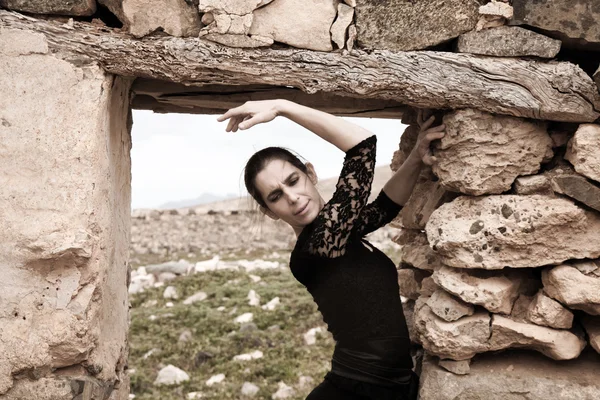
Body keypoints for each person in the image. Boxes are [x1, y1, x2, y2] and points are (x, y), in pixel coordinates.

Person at [218, 99, 445, 400]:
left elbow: (383, 208)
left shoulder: (337, 234)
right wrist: (283, 106)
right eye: (276, 196)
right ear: (270, 211)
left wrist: (416, 157)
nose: (293, 198)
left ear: (310, 173)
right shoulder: (317, 247)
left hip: (387, 389)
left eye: (293, 180)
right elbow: (362, 145)